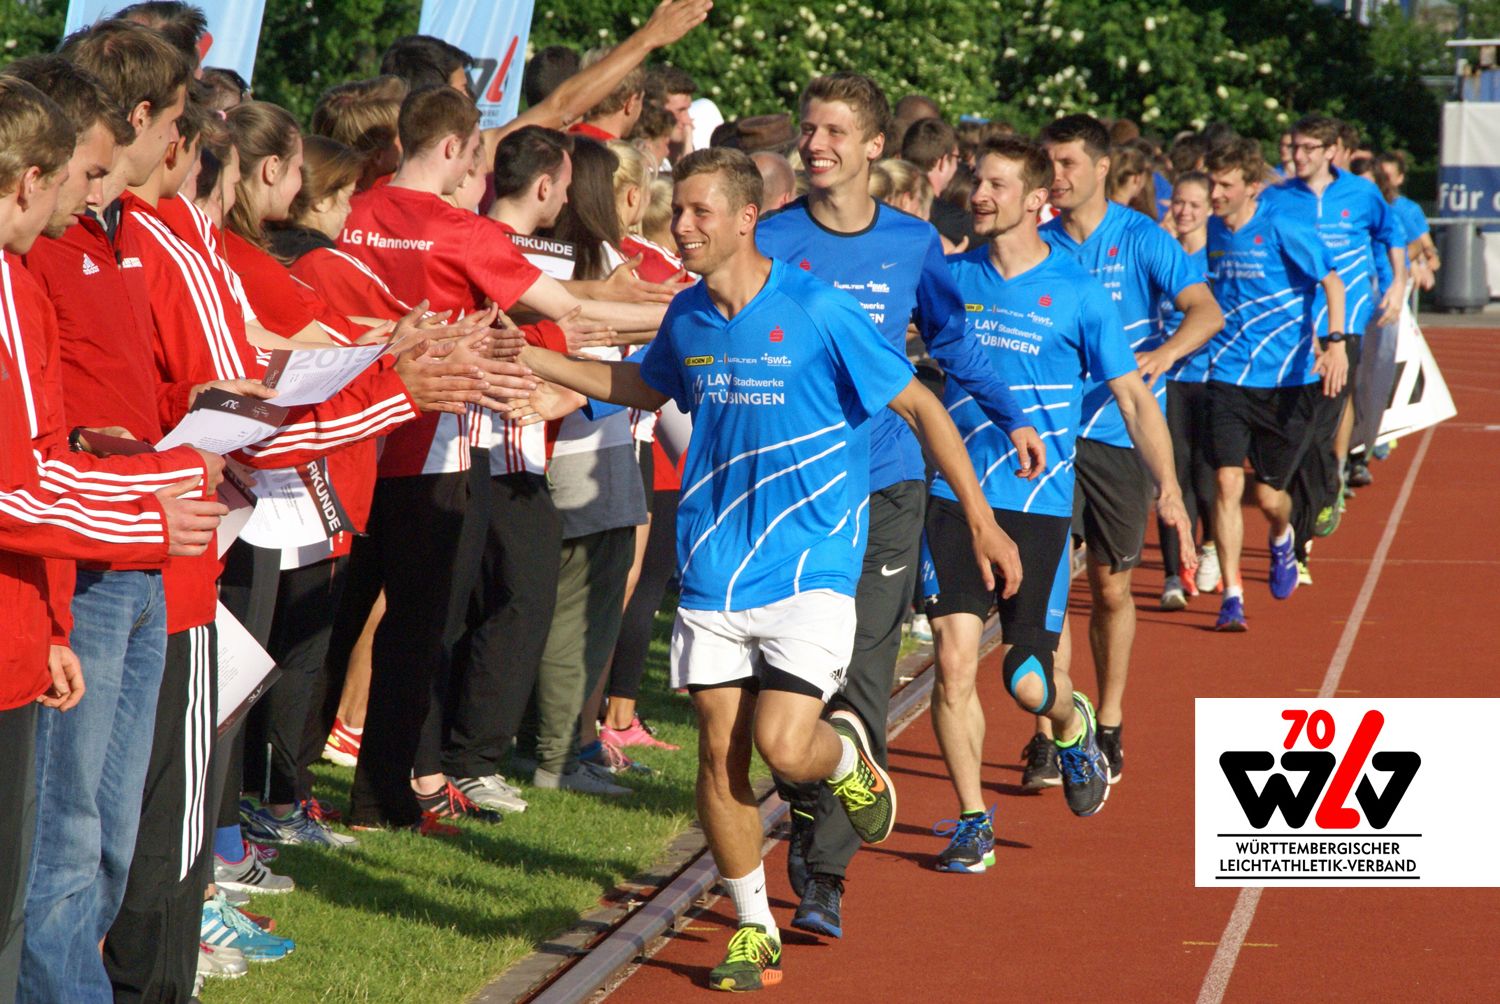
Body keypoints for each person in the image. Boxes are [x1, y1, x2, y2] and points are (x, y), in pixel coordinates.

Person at [514, 145, 1018, 993]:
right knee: (720, 755)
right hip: (715, 564)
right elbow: (642, 385)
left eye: (699, 212)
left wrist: (980, 519)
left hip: (813, 558)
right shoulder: (687, 315)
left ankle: (847, 761)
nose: (682, 226)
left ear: (747, 219)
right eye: (678, 210)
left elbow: (921, 404)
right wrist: (533, 359)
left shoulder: (817, 308)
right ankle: (755, 928)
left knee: (785, 744)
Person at [755, 72, 1037, 940]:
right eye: (808, 129)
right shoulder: (770, 235)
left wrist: (1014, 414)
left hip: (885, 482)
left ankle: (825, 875)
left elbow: (953, 343)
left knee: (862, 670)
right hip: (789, 490)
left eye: (834, 131)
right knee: (784, 683)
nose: (815, 145)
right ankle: (814, 794)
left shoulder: (913, 245)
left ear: (874, 147)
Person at [926, 137, 1194, 871]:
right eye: (977, 182)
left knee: (1028, 680)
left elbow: (1133, 398)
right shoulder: (949, 278)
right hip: (956, 495)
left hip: (1038, 503)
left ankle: (1072, 728)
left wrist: (1169, 488)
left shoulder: (1079, 293)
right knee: (952, 661)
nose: (981, 195)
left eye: (998, 185)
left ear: (1036, 200)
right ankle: (972, 823)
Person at [1036, 114, 1219, 787]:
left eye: (1067, 164)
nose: (1056, 177)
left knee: (1111, 588)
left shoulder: (1142, 238)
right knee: (1048, 586)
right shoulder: (1038, 243)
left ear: (1102, 168)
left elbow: (1205, 310)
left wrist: (1162, 355)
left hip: (1120, 433)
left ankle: (1108, 720)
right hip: (1052, 439)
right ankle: (1051, 731)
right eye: (1048, 164)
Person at [1202, 137, 1347, 631]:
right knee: (1227, 481)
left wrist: (1335, 343)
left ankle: (1283, 534)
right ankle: (1232, 596)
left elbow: (1331, 282)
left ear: (1252, 187)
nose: (1215, 193)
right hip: (1227, 375)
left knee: (1268, 498)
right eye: (1212, 183)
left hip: (1287, 380)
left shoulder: (1283, 226)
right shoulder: (1212, 230)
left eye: (1225, 185)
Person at [1262, 116, 1403, 550]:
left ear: (1330, 151)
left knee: (1322, 420)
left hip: (1346, 323)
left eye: (1309, 148)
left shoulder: (1361, 193)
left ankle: (1306, 524)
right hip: (1294, 326)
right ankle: (1322, 486)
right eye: (1295, 147)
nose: (1298, 156)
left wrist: (1397, 282)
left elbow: (1391, 231)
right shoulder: (1276, 197)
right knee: (1295, 429)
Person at [1157, 172, 1221, 609]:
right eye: (1178, 202)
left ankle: (1211, 545)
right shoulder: (1160, 252)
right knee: (1171, 478)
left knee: (1205, 478)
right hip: (1168, 382)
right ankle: (1172, 576)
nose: (1183, 211)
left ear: (1210, 210)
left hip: (1212, 379)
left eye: (1195, 205)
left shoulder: (1217, 258)